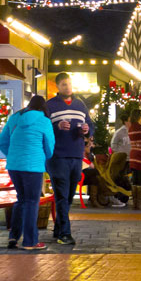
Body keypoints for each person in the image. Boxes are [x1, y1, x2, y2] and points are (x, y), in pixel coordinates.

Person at [0, 95, 55, 251]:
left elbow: (1, 142)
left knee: (21, 200)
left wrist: (14, 155)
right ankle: (30, 241)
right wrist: (43, 156)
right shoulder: (44, 120)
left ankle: (14, 236)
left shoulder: (15, 117)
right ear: (43, 107)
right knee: (31, 202)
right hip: (33, 166)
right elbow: (49, 147)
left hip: (14, 166)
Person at [46, 73, 92, 246]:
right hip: (57, 156)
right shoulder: (50, 105)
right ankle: (65, 233)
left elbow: (90, 124)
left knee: (69, 195)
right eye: (64, 84)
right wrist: (56, 127)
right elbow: (43, 129)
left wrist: (87, 130)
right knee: (62, 194)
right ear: (58, 86)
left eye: (69, 84)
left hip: (76, 155)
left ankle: (59, 228)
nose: (68, 87)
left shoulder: (80, 104)